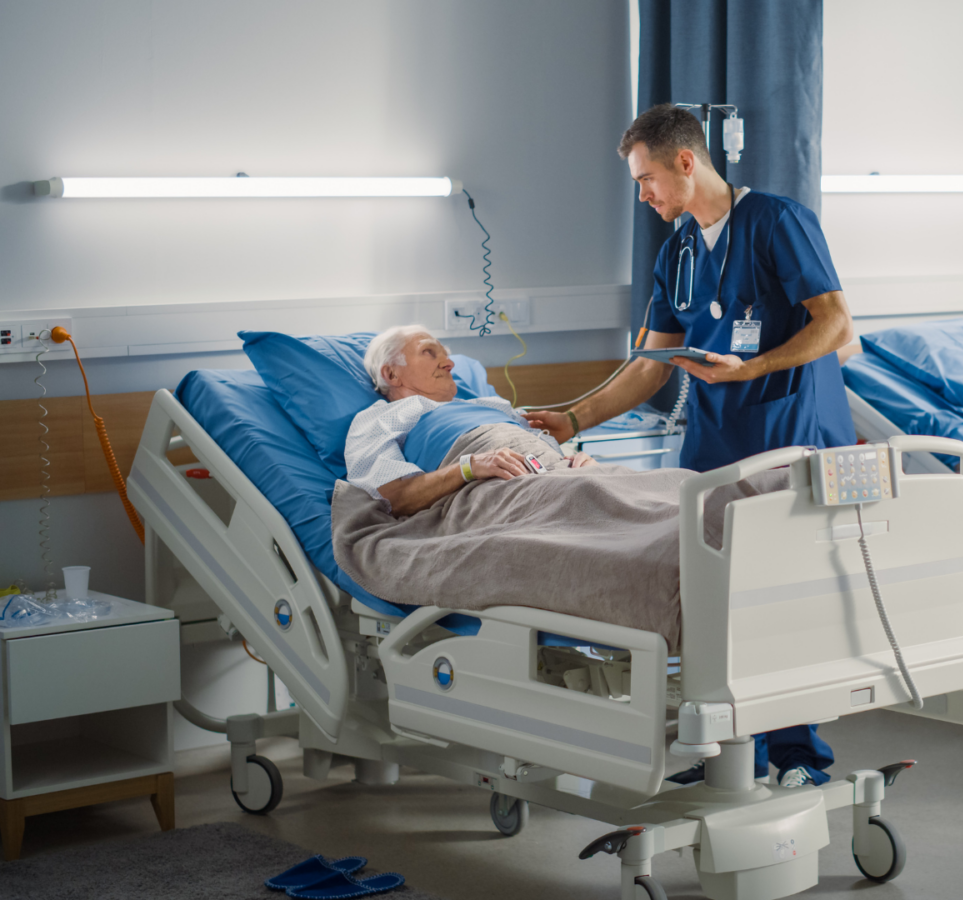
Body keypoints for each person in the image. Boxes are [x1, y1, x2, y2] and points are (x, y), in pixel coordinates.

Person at [525, 103, 853, 789]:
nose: (642, 195)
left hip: (787, 432)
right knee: (716, 605)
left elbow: (835, 325)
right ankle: (737, 755)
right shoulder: (676, 253)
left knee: (782, 601)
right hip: (714, 445)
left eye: (646, 179)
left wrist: (754, 368)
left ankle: (799, 758)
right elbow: (650, 367)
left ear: (685, 161)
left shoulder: (778, 223)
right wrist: (572, 418)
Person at [347, 325, 594, 515]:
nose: (450, 363)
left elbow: (538, 456)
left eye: (446, 355)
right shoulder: (380, 419)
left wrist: (574, 460)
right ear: (391, 373)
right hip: (503, 489)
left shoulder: (493, 405)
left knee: (619, 490)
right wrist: (469, 466)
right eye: (429, 352)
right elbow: (394, 499)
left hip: (562, 476)